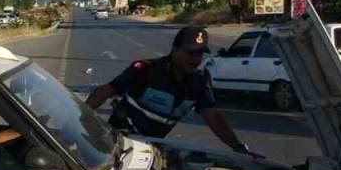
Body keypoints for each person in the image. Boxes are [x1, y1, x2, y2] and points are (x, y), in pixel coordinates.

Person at [85, 26, 255, 154]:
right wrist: (81, 122)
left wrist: (238, 147)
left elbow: (214, 119)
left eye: (200, 53)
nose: (195, 59)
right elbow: (105, 91)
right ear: (175, 49)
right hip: (117, 143)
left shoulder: (199, 83)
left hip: (148, 149)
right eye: (190, 53)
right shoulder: (145, 70)